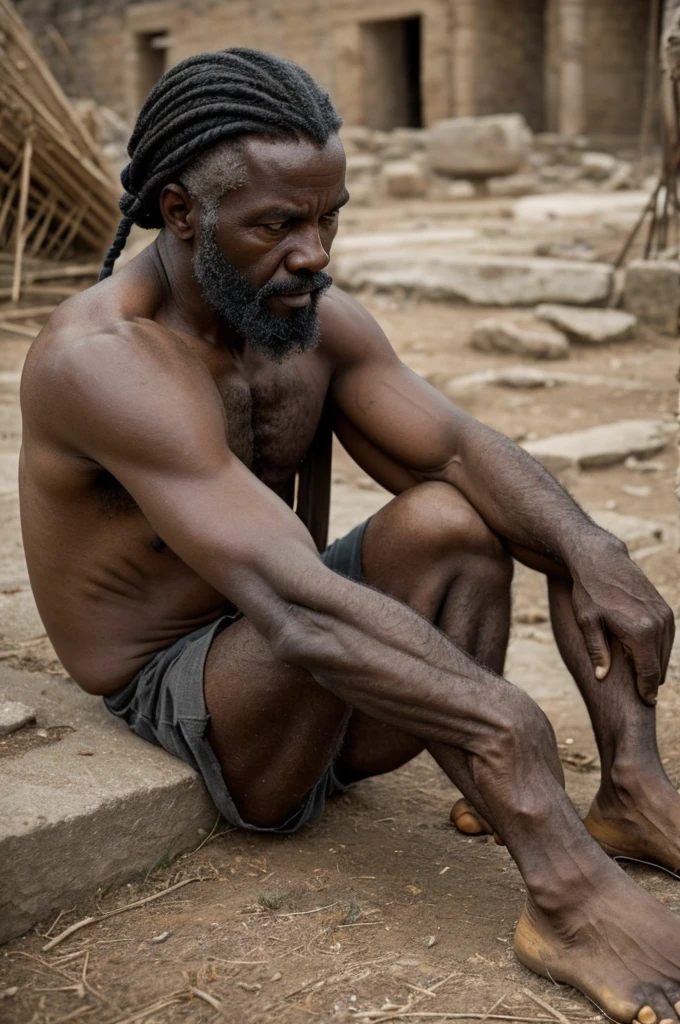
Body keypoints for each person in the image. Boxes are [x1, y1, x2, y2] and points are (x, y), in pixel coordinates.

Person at [19, 49, 680, 1020]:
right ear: (178, 213)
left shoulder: (302, 316)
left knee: (465, 518)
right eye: (277, 225)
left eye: (328, 219)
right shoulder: (103, 362)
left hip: (313, 665)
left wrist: (593, 550)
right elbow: (290, 602)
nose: (315, 251)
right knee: (488, 697)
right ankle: (566, 895)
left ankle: (628, 790)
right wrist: (510, 733)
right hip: (199, 700)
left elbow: (456, 450)